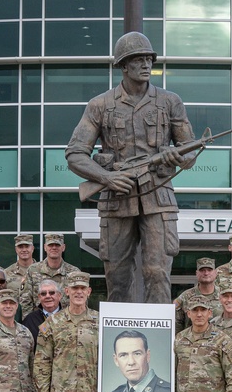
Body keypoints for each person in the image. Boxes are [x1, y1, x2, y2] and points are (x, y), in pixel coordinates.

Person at [65, 31, 195, 304]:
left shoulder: (170, 101)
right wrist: (106, 178)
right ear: (123, 66)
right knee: (118, 276)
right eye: (138, 60)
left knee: (157, 272)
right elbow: (75, 154)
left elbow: (190, 151)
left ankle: (158, 341)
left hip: (158, 197)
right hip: (117, 198)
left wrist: (177, 156)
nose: (146, 65)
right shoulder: (100, 105)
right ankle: (118, 341)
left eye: (149, 59)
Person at [103, 330, 171, 392]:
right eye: (123, 355)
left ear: (148, 356)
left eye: (137, 354)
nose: (131, 362)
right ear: (116, 360)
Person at [25, 234, 79, 309]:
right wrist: (30, 320)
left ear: (63, 247)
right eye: (50, 245)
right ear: (45, 247)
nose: (54, 248)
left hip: (65, 318)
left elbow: (80, 299)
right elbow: (26, 300)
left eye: (57, 245)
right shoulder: (33, 270)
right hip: (39, 318)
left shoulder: (74, 272)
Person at [174, 257, 222, 329]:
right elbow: (177, 325)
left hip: (220, 339)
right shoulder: (185, 297)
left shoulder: (225, 296)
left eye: (209, 270)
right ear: (197, 273)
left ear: (215, 273)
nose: (206, 273)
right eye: (202, 270)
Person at [5, 234, 37, 317]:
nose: (24, 250)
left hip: (37, 319)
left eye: (27, 246)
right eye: (20, 247)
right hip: (14, 318)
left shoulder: (41, 271)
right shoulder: (7, 273)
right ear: (16, 249)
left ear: (32, 248)